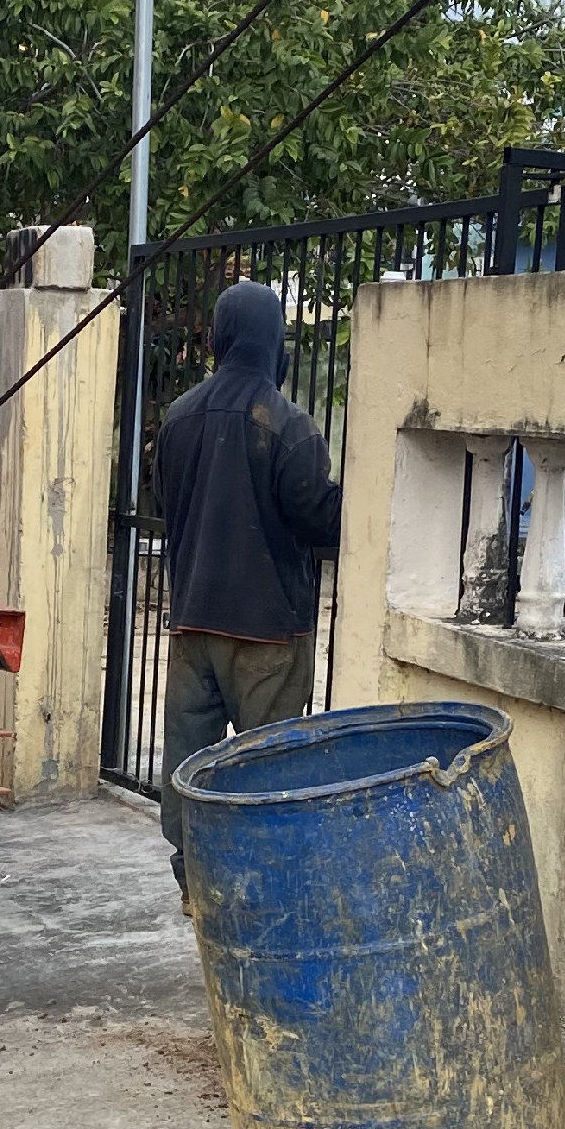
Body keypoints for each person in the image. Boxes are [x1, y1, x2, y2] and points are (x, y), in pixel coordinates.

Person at [152, 278, 342, 896]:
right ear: (274, 341)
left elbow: (167, 505)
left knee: (189, 767)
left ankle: (195, 885)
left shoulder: (178, 419)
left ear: (218, 337)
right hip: (269, 634)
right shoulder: (289, 428)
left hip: (192, 623)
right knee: (265, 770)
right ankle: (260, 893)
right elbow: (322, 520)